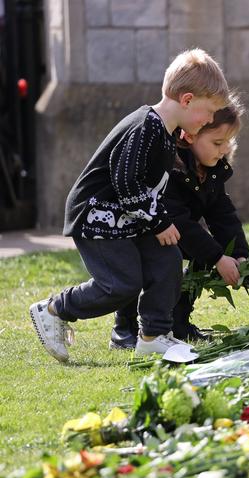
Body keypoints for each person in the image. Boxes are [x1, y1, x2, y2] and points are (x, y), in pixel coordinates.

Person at [29, 48, 229, 362]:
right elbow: (127, 183)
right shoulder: (145, 127)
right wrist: (160, 222)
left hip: (128, 218)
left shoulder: (167, 132)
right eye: (208, 112)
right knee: (120, 285)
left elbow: (148, 188)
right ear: (187, 99)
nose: (208, 121)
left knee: (167, 262)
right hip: (97, 216)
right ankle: (54, 309)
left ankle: (153, 335)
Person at [110, 98, 249, 348]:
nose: (224, 149)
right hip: (145, 228)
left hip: (174, 233)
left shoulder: (213, 169)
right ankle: (125, 327)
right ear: (192, 135)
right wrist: (218, 257)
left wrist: (237, 254)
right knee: (137, 270)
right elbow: (180, 222)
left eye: (228, 142)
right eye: (217, 142)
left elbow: (222, 214)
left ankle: (178, 319)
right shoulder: (172, 167)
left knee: (202, 256)